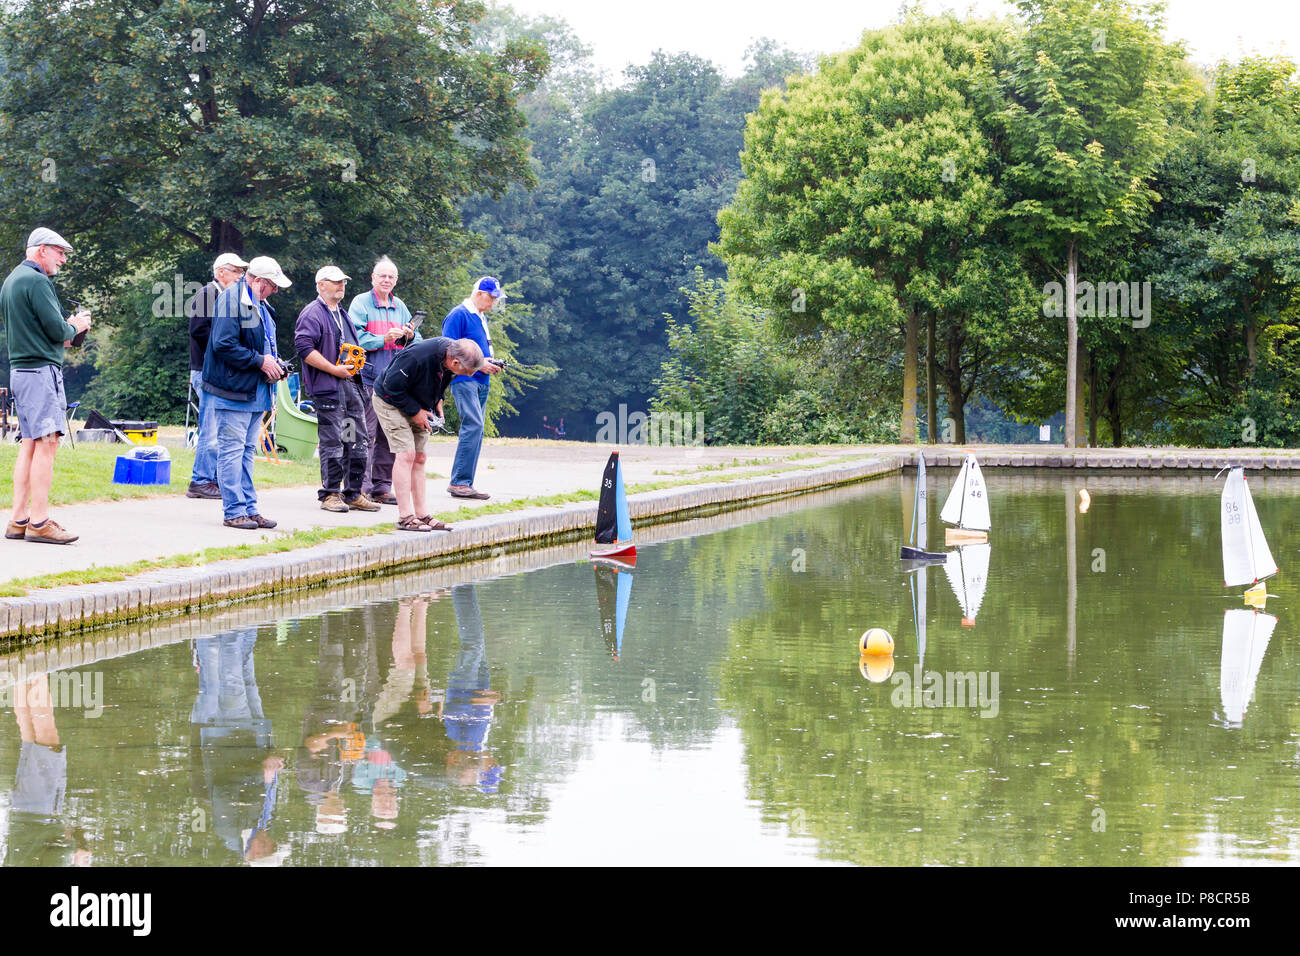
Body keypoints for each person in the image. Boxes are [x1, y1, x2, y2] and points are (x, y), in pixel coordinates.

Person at [2, 227, 91, 545]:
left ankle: (19, 518)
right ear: (41, 250)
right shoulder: (37, 281)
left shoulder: (12, 280)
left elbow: (43, 332)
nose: (63, 260)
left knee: (29, 443)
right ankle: (39, 522)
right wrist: (78, 324)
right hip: (40, 374)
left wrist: (66, 330)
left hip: (21, 372)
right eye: (60, 252)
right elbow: (58, 330)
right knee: (48, 443)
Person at [202, 255, 290, 530]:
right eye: (273, 285)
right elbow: (223, 344)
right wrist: (261, 362)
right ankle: (233, 512)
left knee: (247, 451)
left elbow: (266, 344)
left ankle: (250, 509)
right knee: (232, 451)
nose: (275, 290)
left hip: (255, 391)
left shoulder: (262, 305)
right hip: (232, 391)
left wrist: (276, 364)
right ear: (259, 281)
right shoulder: (230, 300)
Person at [372, 336, 483, 531]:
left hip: (419, 404)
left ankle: (422, 515)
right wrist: (415, 412)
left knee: (420, 457)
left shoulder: (451, 357)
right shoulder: (418, 356)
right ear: (455, 362)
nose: (469, 376)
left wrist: (437, 399)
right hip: (390, 400)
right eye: (467, 371)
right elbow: (391, 387)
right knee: (406, 454)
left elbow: (442, 379)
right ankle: (405, 516)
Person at [294, 265, 379, 513]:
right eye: (335, 281)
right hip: (328, 389)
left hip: (351, 387)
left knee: (356, 440)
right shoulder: (312, 313)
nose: (341, 285)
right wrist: (333, 369)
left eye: (343, 281)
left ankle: (352, 493)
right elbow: (304, 349)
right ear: (321, 285)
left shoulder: (342, 313)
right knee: (333, 443)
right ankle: (330, 494)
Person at [349, 256, 421, 505]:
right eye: (382, 275)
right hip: (368, 378)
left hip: (394, 382)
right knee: (365, 434)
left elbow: (419, 341)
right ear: (373, 278)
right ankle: (361, 487)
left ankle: (381, 486)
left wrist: (409, 336)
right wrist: (383, 338)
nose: (387, 280)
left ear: (396, 280)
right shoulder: (360, 303)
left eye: (391, 276)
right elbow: (353, 337)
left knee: (389, 435)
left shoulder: (400, 306)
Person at [186, 252, 248, 499]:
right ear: (221, 272)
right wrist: (227, 345)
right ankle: (200, 480)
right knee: (210, 428)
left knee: (218, 428)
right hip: (205, 369)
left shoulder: (227, 297)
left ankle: (211, 479)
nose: (240, 276)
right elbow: (198, 330)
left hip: (217, 370)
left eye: (242, 272)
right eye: (236, 271)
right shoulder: (206, 293)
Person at [440, 277, 506, 499]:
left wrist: (491, 364)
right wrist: (480, 365)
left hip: (480, 380)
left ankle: (466, 481)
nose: (493, 303)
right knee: (473, 425)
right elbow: (448, 351)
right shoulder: (458, 314)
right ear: (479, 294)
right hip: (463, 379)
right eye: (492, 298)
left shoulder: (481, 316)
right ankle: (459, 482)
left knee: (477, 429)